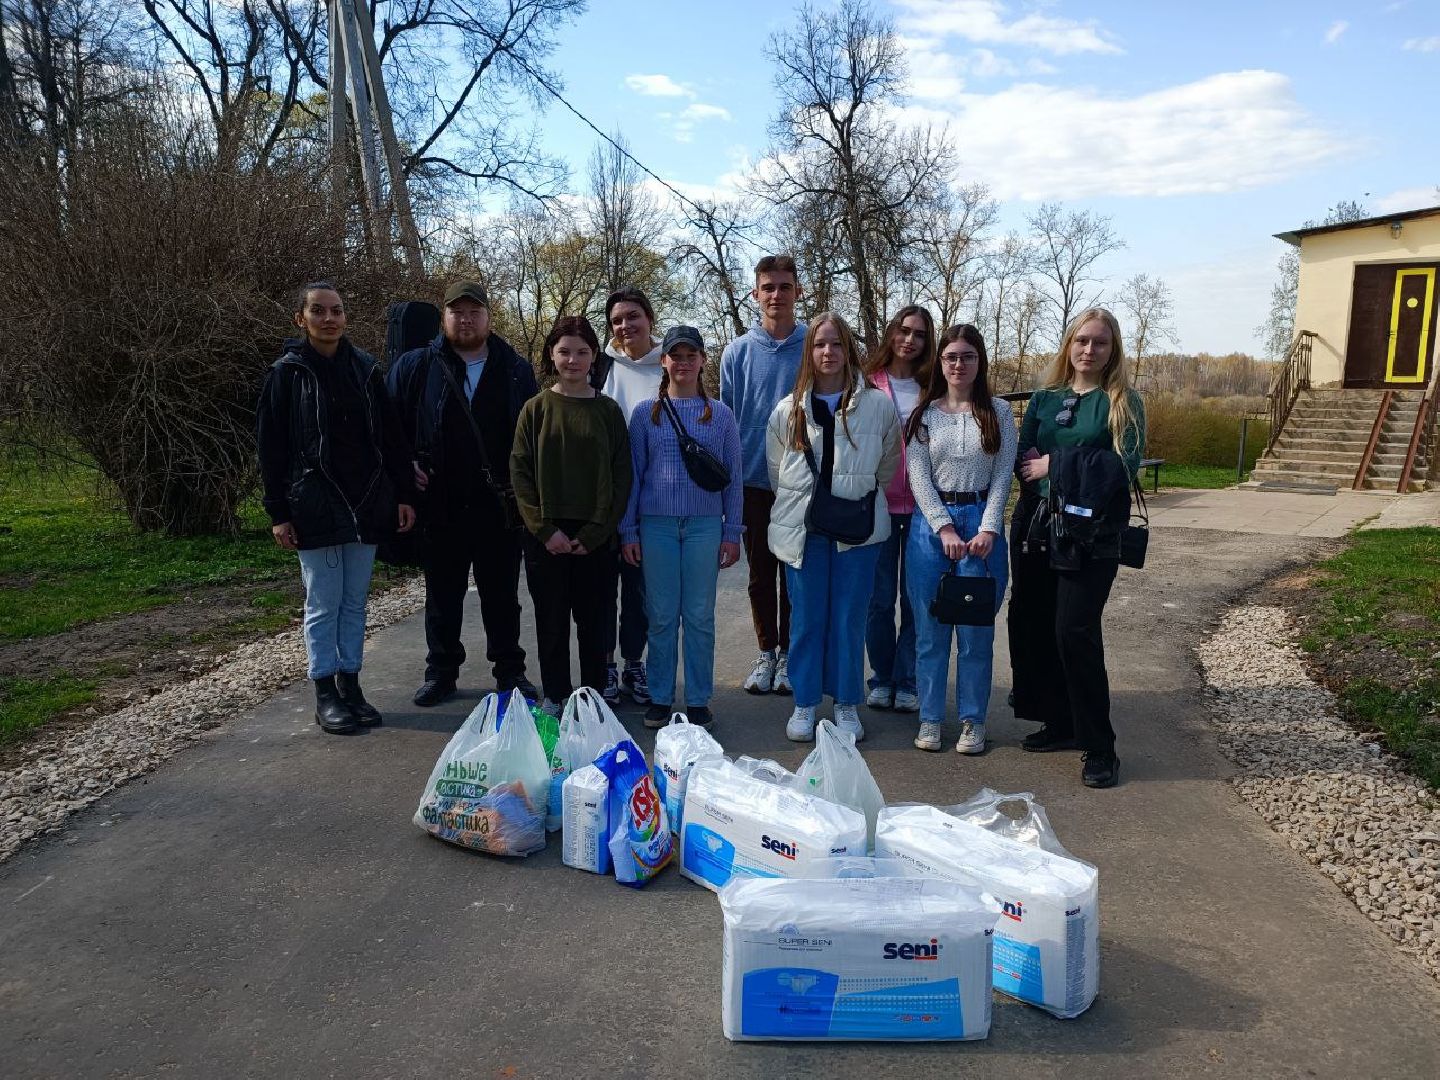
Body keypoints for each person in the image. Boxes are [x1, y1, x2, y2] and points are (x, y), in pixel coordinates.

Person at [257, 281, 417, 735]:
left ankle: (351, 685)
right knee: (323, 604)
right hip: (314, 506)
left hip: (366, 503)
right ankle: (324, 691)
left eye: (336, 311)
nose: (329, 319)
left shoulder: (365, 369)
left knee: (354, 603)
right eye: (318, 311)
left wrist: (403, 493)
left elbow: (392, 438)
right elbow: (270, 449)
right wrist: (278, 513)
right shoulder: (287, 374)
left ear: (346, 318)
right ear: (301, 319)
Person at [1009, 307, 1145, 789]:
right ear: (1069, 345)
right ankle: (1061, 722)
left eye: (1100, 343)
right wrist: (1051, 469)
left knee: (1075, 632)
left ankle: (1100, 746)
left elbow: (1122, 467)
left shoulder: (1122, 402)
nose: (1089, 350)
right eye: (1082, 341)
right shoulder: (1045, 399)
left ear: (1113, 350)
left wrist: (1057, 466)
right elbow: (1024, 458)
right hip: (1039, 527)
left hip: (1092, 537)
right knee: (1039, 627)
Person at [386, 281, 539, 708]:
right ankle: (441, 671)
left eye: (474, 311)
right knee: (442, 593)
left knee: (502, 594)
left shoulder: (513, 367)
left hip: (498, 502)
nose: (466, 319)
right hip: (440, 500)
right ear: (444, 318)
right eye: (457, 311)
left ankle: (510, 673)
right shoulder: (416, 365)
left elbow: (531, 434)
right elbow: (391, 427)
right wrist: (405, 470)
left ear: (489, 317)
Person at [765, 312, 900, 743]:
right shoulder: (788, 410)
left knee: (848, 619)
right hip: (803, 531)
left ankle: (846, 703)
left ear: (849, 351)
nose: (828, 352)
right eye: (820, 344)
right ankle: (805, 702)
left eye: (837, 344)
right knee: (806, 619)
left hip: (856, 531)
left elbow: (887, 462)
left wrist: (855, 493)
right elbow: (776, 469)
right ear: (810, 351)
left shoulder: (876, 405)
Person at [620, 326, 743, 729]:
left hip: (705, 525)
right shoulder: (645, 414)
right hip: (655, 526)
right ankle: (659, 696)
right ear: (664, 361)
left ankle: (697, 699)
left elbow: (733, 478)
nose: (684, 363)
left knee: (699, 616)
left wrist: (731, 532)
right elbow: (634, 476)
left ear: (703, 361)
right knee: (660, 615)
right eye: (677, 355)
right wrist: (629, 530)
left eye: (692, 356)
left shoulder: (720, 415)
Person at [510, 315, 633, 713]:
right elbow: (520, 473)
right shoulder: (535, 409)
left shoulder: (608, 411)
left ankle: (593, 699)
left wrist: (598, 532)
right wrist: (544, 531)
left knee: (595, 623)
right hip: (547, 536)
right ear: (551, 354)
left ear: (594, 356)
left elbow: (621, 475)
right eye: (564, 351)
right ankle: (557, 696)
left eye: (582, 352)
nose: (573, 360)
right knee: (551, 621)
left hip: (594, 535)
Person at [904, 324, 1017, 754]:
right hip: (931, 530)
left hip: (981, 521)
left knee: (975, 634)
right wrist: (943, 526)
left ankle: (973, 720)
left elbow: (1004, 473)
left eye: (967, 356)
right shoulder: (924, 414)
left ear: (979, 362)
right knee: (930, 632)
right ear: (940, 362)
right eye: (951, 356)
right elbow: (918, 476)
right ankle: (931, 718)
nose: (958, 364)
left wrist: (989, 527)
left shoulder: (999, 412)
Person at [720, 255, 807, 696]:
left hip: (800, 482)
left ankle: (792, 653)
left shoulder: (814, 345)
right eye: (768, 287)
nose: (776, 295)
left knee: (794, 573)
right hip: (752, 480)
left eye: (784, 287)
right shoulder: (736, 353)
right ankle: (766, 652)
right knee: (760, 576)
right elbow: (728, 421)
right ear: (755, 294)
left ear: (798, 291)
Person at [591, 287, 663, 707]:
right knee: (603, 589)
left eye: (633, 316)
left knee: (638, 591)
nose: (625, 326)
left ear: (650, 318)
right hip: (604, 498)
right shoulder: (601, 366)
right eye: (617, 320)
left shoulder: (668, 365)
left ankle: (634, 662)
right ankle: (606, 666)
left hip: (651, 500)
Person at [863, 304, 936, 715]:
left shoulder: (934, 387)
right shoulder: (869, 383)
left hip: (925, 508)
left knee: (915, 599)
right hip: (878, 505)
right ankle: (882, 677)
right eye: (904, 331)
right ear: (892, 333)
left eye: (920, 334)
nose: (910, 340)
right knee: (878, 600)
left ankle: (907, 680)